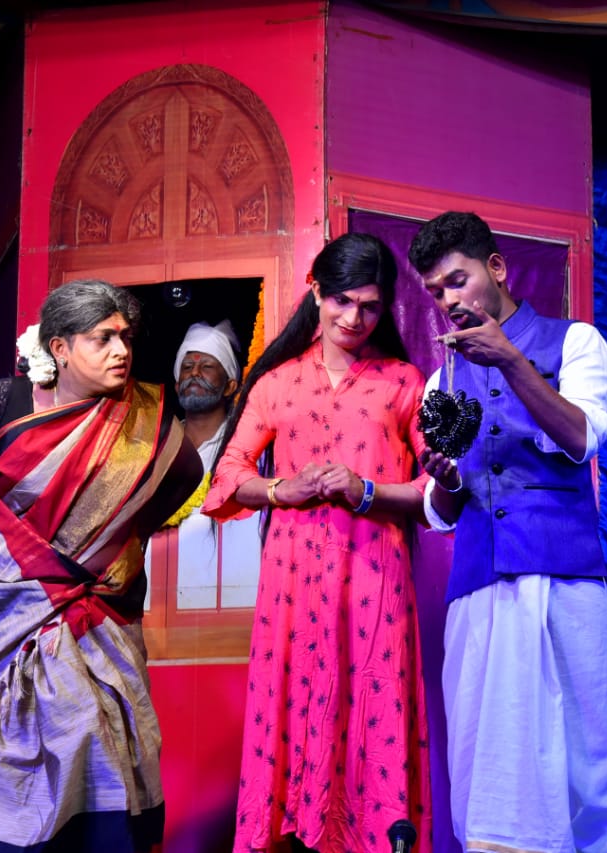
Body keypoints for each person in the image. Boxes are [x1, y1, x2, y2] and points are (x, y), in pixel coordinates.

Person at [0, 278, 203, 852]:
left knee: (96, 737)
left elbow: (187, 475)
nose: (121, 351)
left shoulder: (144, 418)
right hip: (8, 610)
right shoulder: (8, 402)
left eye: (125, 337)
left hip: (97, 615)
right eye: (103, 339)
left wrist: (123, 534)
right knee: (3, 744)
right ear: (60, 348)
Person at [408, 211, 607, 853]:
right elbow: (440, 510)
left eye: (458, 281)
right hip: (480, 590)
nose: (448, 301)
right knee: (487, 763)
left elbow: (581, 437)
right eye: (435, 291)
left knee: (589, 759)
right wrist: (445, 481)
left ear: (497, 268)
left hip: (564, 582)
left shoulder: (576, 343)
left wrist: (511, 360)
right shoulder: (441, 382)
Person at [202, 233, 432, 853]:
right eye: (343, 301)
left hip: (374, 579)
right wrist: (284, 489)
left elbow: (436, 491)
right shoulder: (277, 383)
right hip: (293, 581)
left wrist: (367, 491)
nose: (355, 318)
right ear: (316, 291)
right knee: (293, 702)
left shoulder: (404, 382)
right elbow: (228, 476)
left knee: (374, 709)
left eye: (370, 306)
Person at [163, 320, 261, 608]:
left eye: (206, 366)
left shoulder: (245, 446)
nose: (194, 373)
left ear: (230, 386)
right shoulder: (160, 446)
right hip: (164, 589)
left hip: (234, 586)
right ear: (177, 385)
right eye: (187, 367)